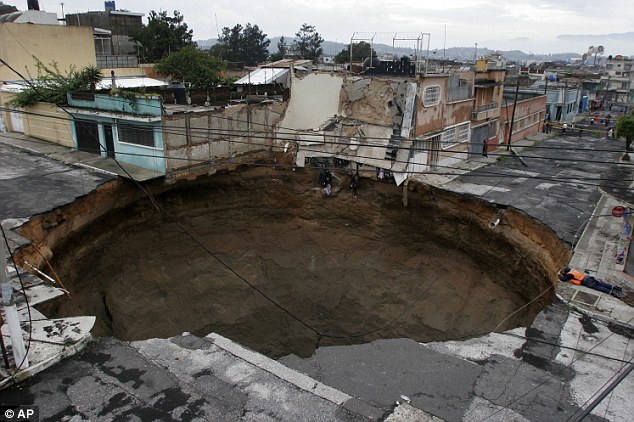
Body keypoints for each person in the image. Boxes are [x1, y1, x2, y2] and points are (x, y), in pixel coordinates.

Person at [558, 267, 622, 296]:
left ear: (566, 272)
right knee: (601, 284)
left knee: (599, 287)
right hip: (588, 277)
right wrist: (563, 274)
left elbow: (563, 279)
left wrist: (559, 275)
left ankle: (611, 292)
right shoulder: (573, 271)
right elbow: (569, 276)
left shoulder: (569, 274)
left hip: (586, 282)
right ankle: (614, 287)